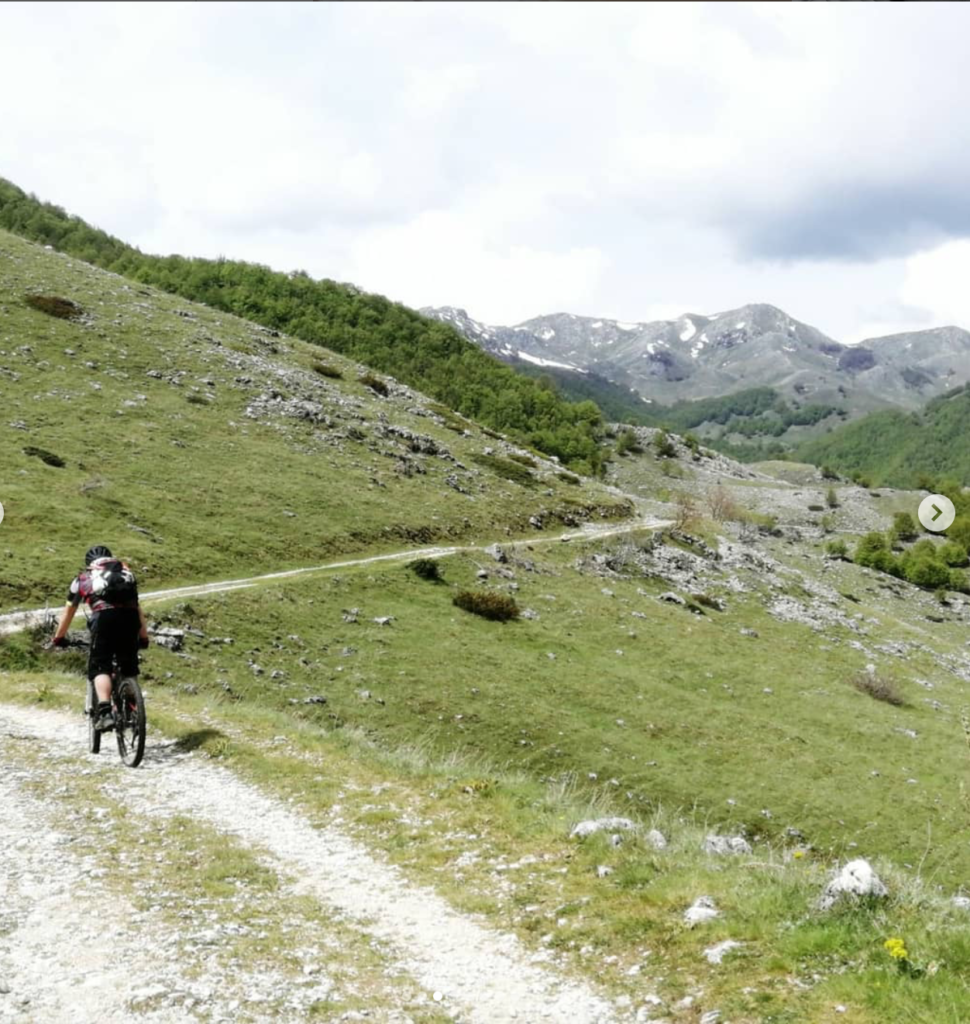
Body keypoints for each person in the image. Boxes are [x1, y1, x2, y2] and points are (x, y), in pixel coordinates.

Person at [52, 545, 149, 732]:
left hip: (104, 620)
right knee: (128, 667)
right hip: (129, 620)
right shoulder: (127, 575)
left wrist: (59, 638)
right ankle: (134, 709)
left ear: (89, 564)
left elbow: (68, 612)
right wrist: (143, 637)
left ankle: (104, 713)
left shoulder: (82, 579)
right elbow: (137, 608)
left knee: (100, 666)